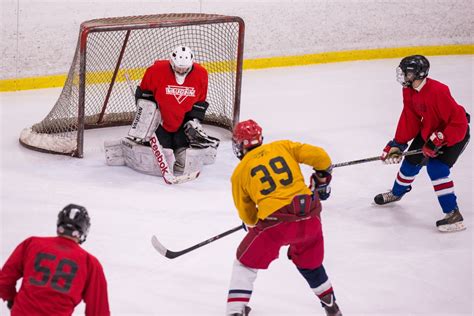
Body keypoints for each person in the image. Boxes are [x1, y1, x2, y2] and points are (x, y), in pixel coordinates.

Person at [226, 119, 342, 316]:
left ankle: (235, 311)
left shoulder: (239, 172)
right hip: (310, 216)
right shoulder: (282, 146)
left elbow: (248, 215)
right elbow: (321, 157)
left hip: (275, 224)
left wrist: (253, 223)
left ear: (238, 145)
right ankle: (330, 303)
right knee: (310, 262)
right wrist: (322, 178)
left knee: (245, 262)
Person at [375, 55, 470, 232]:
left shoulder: (439, 91)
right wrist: (398, 144)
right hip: (430, 131)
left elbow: (459, 123)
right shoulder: (409, 90)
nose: (403, 76)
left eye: (406, 73)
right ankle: (396, 193)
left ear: (417, 74)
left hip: (455, 133)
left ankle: (453, 214)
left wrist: (441, 139)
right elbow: (409, 118)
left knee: (436, 168)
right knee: (410, 163)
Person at [104, 45, 219, 176]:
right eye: (178, 67)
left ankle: (185, 152)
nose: (181, 70)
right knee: (165, 150)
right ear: (171, 62)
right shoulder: (156, 70)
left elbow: (200, 101)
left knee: (183, 153)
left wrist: (193, 120)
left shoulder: (201, 74)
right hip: (160, 121)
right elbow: (144, 94)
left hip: (182, 121)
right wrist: (149, 115)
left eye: (185, 68)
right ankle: (131, 147)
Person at [0, 204, 110, 315]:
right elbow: (98, 310)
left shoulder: (32, 244)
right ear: (84, 230)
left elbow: (4, 280)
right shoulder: (90, 263)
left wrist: (11, 299)